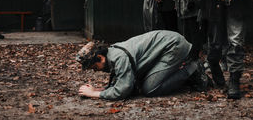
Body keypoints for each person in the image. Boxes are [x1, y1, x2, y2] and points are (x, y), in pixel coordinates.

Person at [76, 30, 211, 100]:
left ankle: (192, 69)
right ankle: (186, 71)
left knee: (150, 88)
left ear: (100, 57)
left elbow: (123, 89)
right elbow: (122, 80)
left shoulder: (119, 57)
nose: (95, 71)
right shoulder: (112, 54)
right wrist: (100, 89)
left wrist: (94, 94)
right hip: (165, 48)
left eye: (94, 67)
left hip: (173, 46)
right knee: (146, 84)